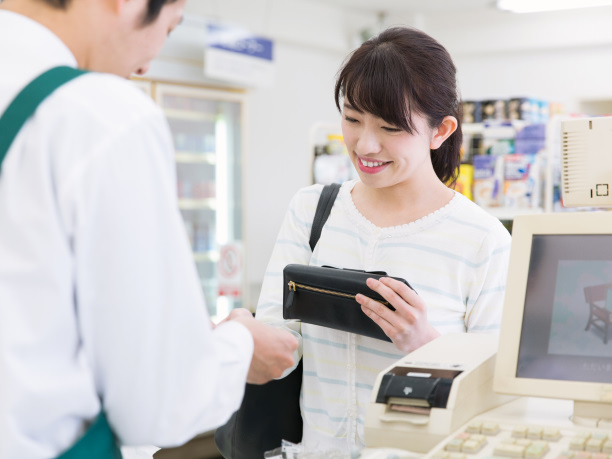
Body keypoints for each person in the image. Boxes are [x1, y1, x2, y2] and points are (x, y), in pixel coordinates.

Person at [0, 0, 298, 457]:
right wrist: (239, 347)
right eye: (171, 28)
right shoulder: (100, 116)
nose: (145, 65)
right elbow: (156, 405)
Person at [255, 26, 512, 454]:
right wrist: (242, 339)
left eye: (390, 127)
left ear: (441, 130)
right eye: (352, 119)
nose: (365, 145)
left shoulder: (483, 240)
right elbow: (278, 341)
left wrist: (426, 346)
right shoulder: (311, 211)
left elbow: (497, 394)